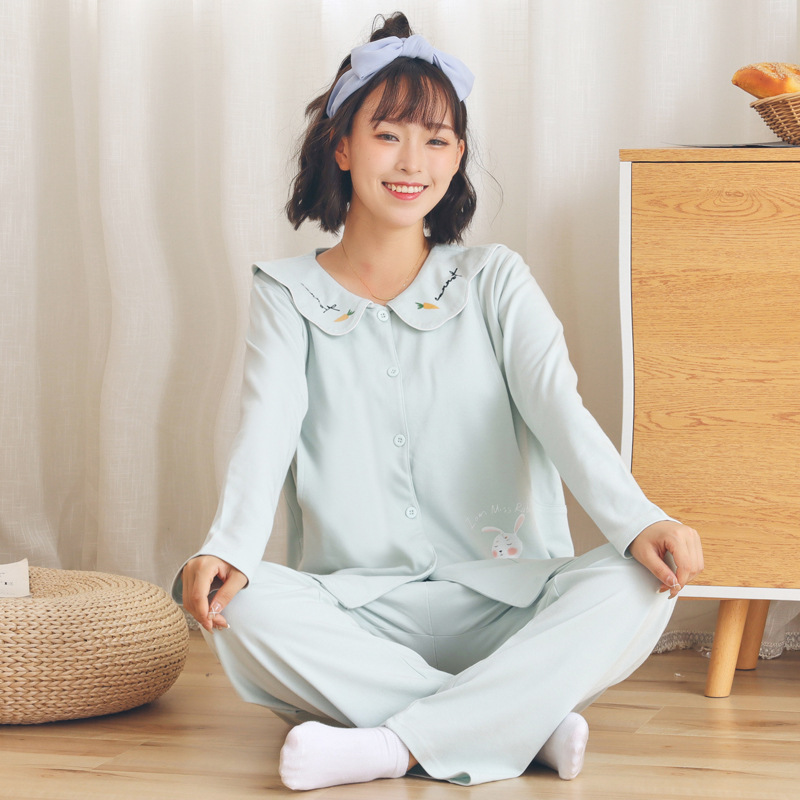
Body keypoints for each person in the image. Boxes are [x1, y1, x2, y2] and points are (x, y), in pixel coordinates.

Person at [175, 11, 703, 791]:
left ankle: (392, 746)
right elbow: (266, 431)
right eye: (388, 134)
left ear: (457, 158)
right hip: (358, 615)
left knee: (638, 581)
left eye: (437, 140)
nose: (411, 162)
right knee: (241, 604)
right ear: (341, 145)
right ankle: (519, 724)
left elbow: (560, 410)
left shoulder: (496, 280)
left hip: (508, 607)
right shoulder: (287, 296)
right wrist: (228, 547)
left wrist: (638, 519)